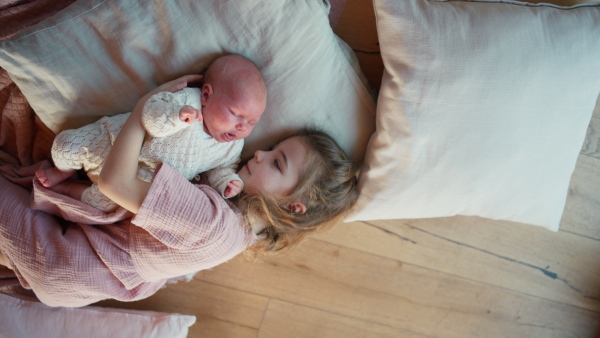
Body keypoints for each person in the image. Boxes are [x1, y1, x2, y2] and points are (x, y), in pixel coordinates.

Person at [0, 75, 359, 307]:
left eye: (278, 163)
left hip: (65, 262)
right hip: (92, 264)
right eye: (273, 148)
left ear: (294, 206)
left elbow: (115, 182)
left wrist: (143, 110)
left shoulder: (214, 224)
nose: (261, 152)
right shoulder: (245, 226)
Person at [35, 54, 267, 212]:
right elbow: (149, 115)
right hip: (110, 141)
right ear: (206, 96)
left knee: (102, 203)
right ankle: (62, 171)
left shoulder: (231, 146)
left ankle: (67, 188)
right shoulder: (187, 101)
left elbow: (220, 168)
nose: (242, 127)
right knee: (65, 146)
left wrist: (227, 182)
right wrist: (175, 116)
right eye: (237, 114)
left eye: (252, 122)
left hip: (136, 178)